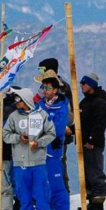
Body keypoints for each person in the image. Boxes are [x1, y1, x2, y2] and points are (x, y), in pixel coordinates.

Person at [3, 88, 56, 210]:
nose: (16, 102)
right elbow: (5, 135)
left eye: (18, 99)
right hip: (20, 162)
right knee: (23, 193)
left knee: (41, 192)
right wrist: (18, 138)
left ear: (26, 99)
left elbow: (51, 133)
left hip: (38, 161)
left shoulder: (41, 115)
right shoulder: (13, 117)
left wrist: (39, 142)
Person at [35, 57, 74, 194]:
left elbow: (68, 113)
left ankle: (63, 191)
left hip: (57, 134)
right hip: (43, 134)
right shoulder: (44, 87)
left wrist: (65, 128)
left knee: (58, 163)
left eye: (41, 69)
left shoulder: (61, 88)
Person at [37, 71, 71, 210]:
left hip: (53, 148)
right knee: (44, 180)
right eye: (43, 87)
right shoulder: (40, 105)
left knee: (56, 180)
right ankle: (48, 209)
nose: (45, 91)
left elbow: (58, 127)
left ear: (55, 89)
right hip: (40, 148)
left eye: (48, 88)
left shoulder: (62, 105)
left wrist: (44, 133)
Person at [76, 73, 106, 210]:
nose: (81, 86)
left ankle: (98, 204)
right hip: (83, 143)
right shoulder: (84, 102)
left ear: (92, 85)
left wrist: (91, 141)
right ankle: (91, 200)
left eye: (84, 83)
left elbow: (99, 125)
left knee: (95, 172)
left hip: (92, 144)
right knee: (87, 173)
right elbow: (80, 122)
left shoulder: (99, 103)